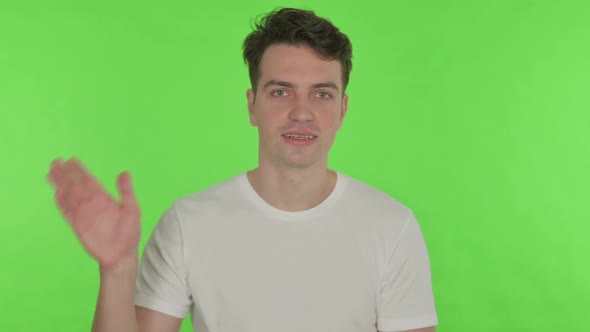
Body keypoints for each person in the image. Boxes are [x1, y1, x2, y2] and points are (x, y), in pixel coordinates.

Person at [46, 7, 438, 332]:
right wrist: (116, 269)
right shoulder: (188, 223)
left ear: (343, 109)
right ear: (252, 105)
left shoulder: (392, 227)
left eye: (322, 93)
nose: (302, 112)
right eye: (281, 91)